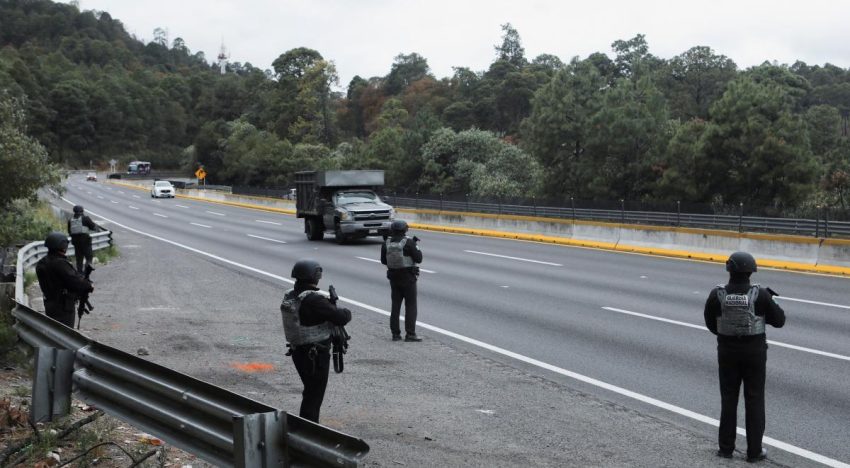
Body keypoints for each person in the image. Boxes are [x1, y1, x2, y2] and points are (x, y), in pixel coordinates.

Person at [704, 251, 785, 463]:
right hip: (755, 354)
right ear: (751, 271)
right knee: (754, 399)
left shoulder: (717, 294)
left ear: (729, 270)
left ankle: (726, 448)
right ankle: (754, 451)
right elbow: (780, 321)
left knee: (728, 398)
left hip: (727, 352)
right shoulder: (761, 295)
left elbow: (711, 324)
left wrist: (728, 336)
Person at [281, 259, 351, 422]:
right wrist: (345, 311)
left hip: (298, 351)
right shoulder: (313, 300)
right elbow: (341, 317)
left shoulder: (291, 295)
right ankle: (309, 430)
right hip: (315, 355)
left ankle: (306, 426)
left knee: (310, 392)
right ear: (315, 276)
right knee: (314, 396)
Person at [35, 232, 94, 328]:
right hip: (63, 305)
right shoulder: (60, 263)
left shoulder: (42, 263)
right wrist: (88, 285)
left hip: (49, 303)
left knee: (54, 330)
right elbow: (74, 281)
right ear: (62, 246)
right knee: (65, 331)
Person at [380, 219, 423, 342]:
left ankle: (395, 334)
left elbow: (383, 261)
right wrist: (416, 245)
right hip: (408, 278)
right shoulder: (409, 242)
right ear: (405, 230)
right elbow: (419, 259)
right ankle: (410, 334)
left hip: (394, 278)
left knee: (395, 306)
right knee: (410, 305)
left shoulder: (386, 243)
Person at [67, 205, 99, 273]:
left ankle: (79, 274)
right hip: (86, 242)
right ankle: (86, 273)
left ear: (74, 211)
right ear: (82, 211)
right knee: (89, 258)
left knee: (79, 259)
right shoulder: (86, 218)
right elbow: (93, 227)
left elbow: (69, 232)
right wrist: (96, 228)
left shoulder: (70, 221)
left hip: (76, 243)